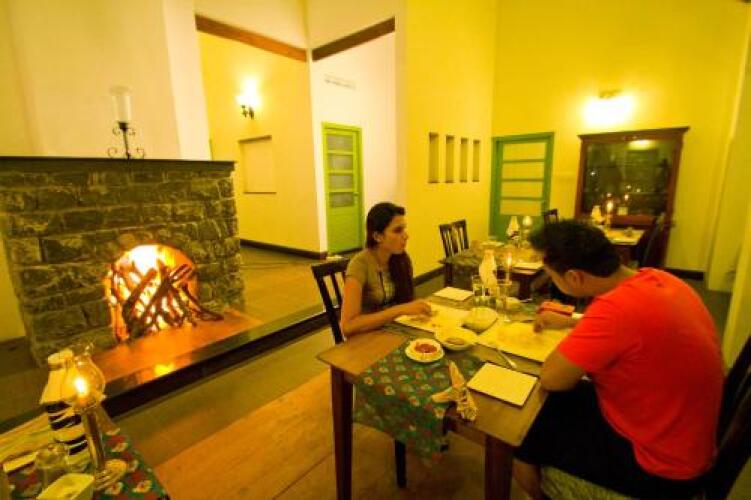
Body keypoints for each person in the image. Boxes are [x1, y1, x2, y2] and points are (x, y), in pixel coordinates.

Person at [514, 220, 723, 499]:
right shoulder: (656, 278)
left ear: (574, 277)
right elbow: (634, 327)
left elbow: (552, 378)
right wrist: (573, 322)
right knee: (549, 413)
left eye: (552, 276)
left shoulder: (614, 309)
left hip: (659, 469)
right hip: (681, 437)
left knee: (527, 438)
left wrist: (576, 332)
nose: (553, 282)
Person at [339, 202, 431, 337]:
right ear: (377, 236)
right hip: (366, 338)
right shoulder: (359, 265)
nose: (406, 235)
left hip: (393, 331)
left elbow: (407, 301)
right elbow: (348, 326)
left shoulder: (401, 259)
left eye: (404, 229)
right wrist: (399, 310)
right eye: (397, 230)